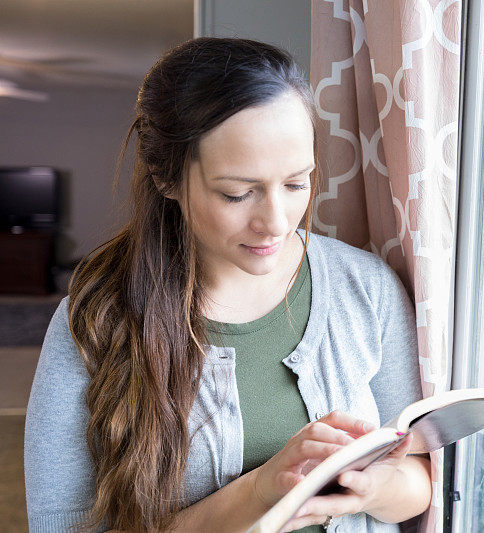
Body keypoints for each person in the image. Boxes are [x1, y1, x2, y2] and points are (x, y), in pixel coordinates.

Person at [23, 37, 431, 533]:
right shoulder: (94, 320)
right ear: (165, 177)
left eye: (297, 183)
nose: (276, 222)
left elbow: (419, 476)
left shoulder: (365, 289)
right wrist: (262, 489)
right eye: (238, 194)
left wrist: (370, 487)